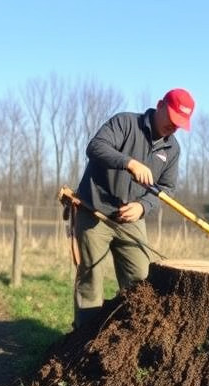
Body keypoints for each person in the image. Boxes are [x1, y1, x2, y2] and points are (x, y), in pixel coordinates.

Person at [73, 88, 195, 328]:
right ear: (160, 105)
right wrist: (128, 162)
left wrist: (142, 206)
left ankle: (128, 339)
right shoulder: (126, 123)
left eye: (180, 123)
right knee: (91, 279)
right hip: (94, 212)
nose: (174, 126)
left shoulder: (173, 150)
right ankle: (81, 341)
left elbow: (167, 188)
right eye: (171, 118)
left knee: (140, 280)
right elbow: (95, 147)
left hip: (132, 221)